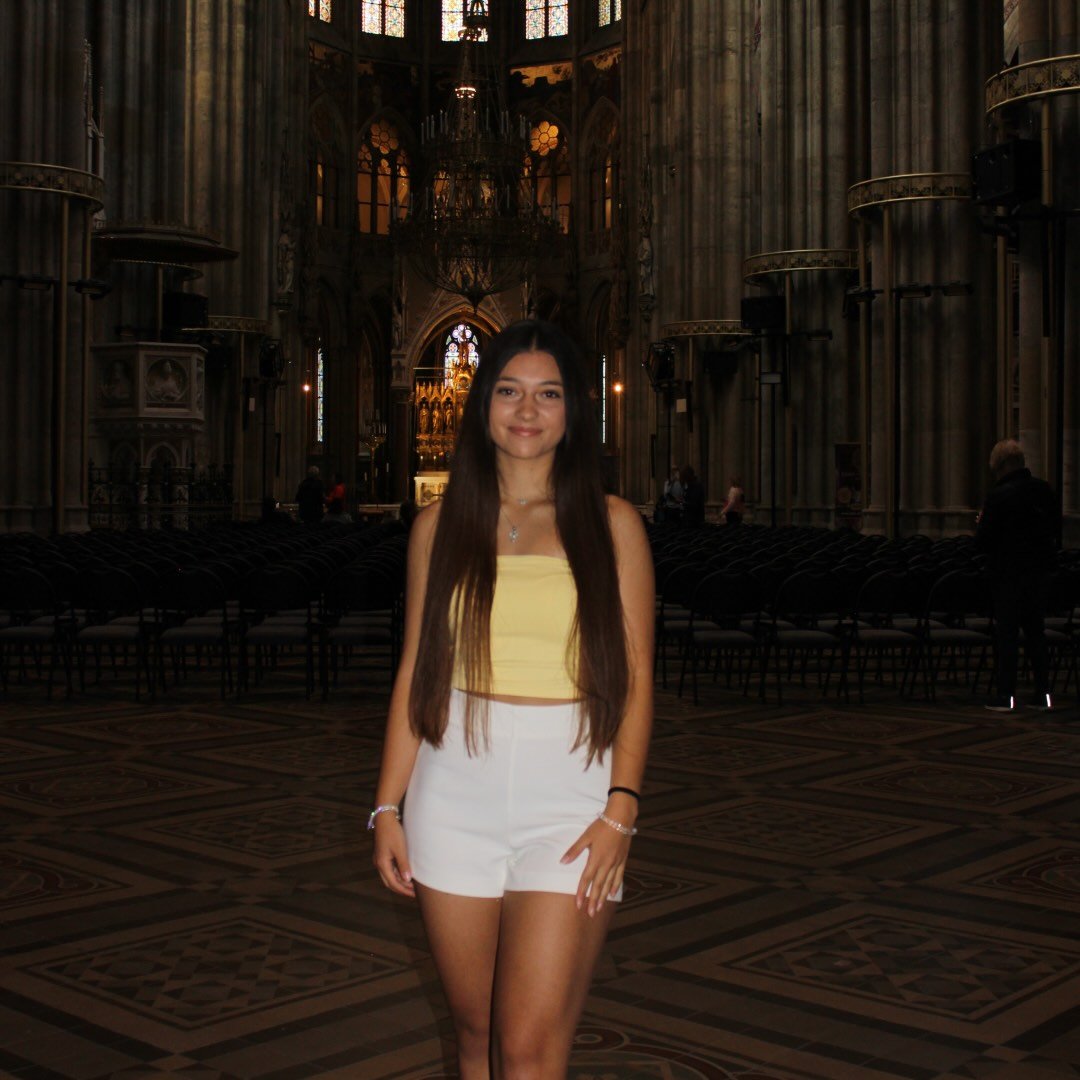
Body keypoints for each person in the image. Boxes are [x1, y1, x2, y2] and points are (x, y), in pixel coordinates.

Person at [371, 319, 654, 1077]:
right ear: (483, 405)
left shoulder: (613, 525)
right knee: (474, 1035)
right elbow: (416, 671)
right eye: (508, 391)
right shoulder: (438, 527)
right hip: (452, 792)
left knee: (527, 1050)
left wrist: (622, 810)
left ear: (574, 410)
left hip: (570, 799)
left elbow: (634, 679)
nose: (527, 410)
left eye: (548, 394)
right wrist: (387, 806)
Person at [975, 438, 1060, 712]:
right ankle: (1043, 694)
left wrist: (981, 523)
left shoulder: (998, 496)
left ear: (1000, 466)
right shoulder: (1044, 490)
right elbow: (1055, 529)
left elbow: (983, 541)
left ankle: (1006, 695)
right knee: (1036, 633)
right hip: (1039, 573)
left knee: (1008, 635)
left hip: (1008, 574)